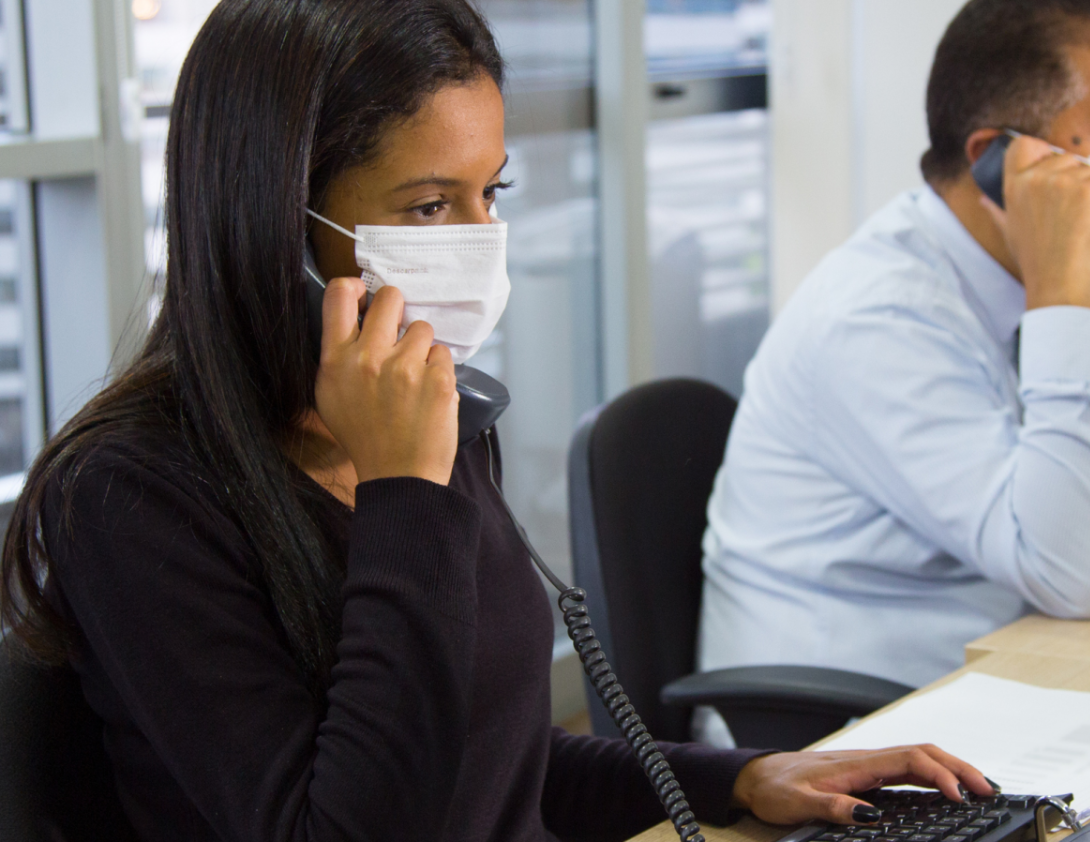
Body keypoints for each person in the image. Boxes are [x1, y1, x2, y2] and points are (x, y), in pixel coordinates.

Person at [0, 2, 995, 839]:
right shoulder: (133, 495)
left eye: (492, 192)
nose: (482, 244)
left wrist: (734, 777)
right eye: (430, 207)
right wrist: (407, 493)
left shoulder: (433, 412)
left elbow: (490, 759)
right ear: (278, 227)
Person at [697, 0, 1090, 706]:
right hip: (854, 730)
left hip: (1020, 679)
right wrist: (1061, 296)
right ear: (995, 160)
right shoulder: (875, 318)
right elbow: (1075, 577)